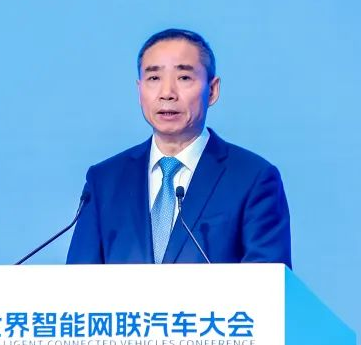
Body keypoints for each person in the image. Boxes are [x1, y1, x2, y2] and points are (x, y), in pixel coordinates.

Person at [66, 28, 293, 267]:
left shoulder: (252, 177)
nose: (167, 93)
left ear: (212, 90)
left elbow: (269, 282)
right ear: (139, 90)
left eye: (184, 78)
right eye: (154, 78)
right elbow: (78, 280)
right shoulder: (104, 181)